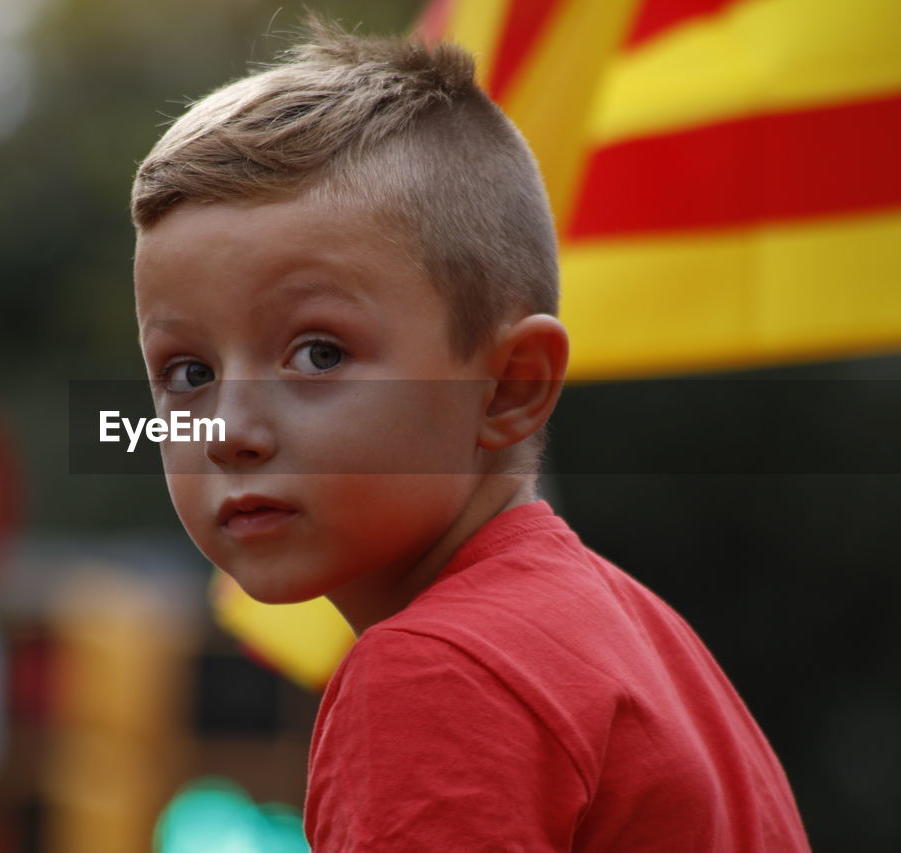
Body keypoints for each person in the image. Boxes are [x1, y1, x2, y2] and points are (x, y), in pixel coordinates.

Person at [129, 15, 810, 851]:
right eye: (188, 374)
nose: (230, 431)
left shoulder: (438, 672)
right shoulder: (637, 639)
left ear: (509, 389)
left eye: (317, 352)